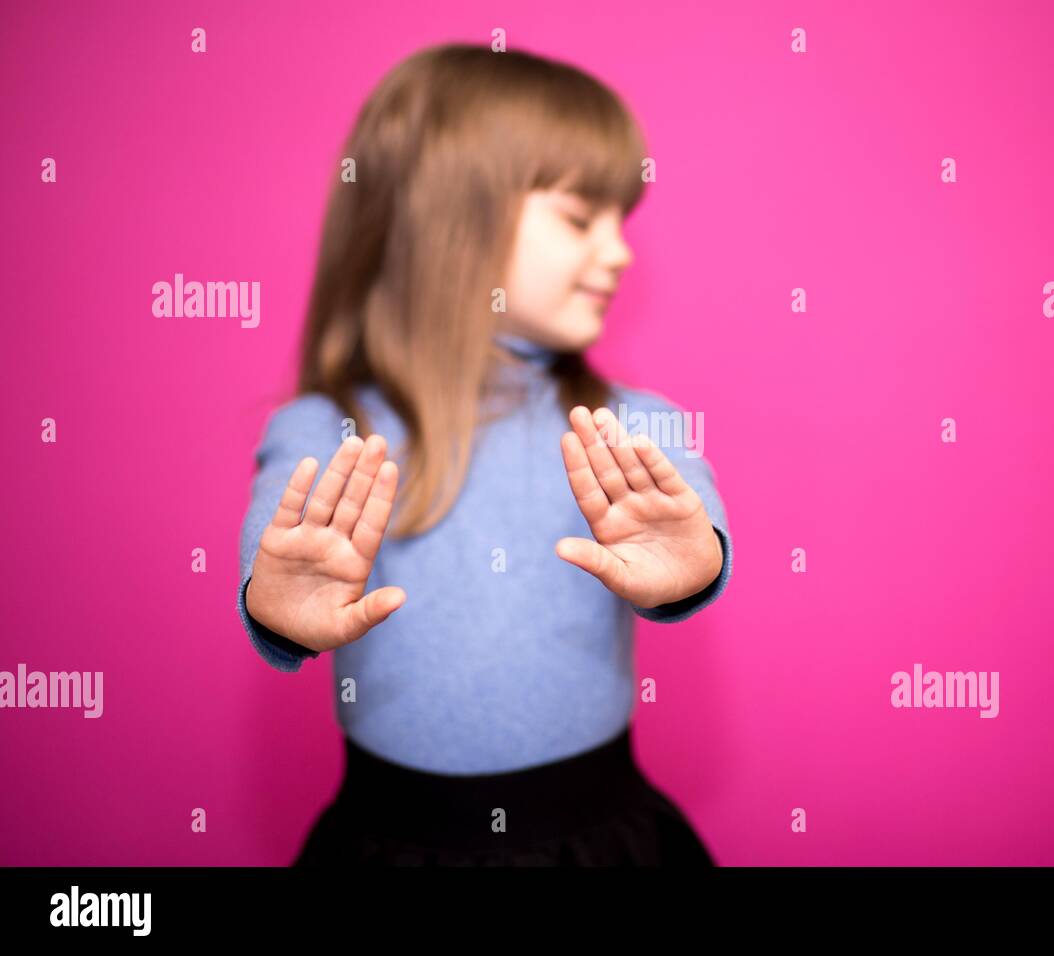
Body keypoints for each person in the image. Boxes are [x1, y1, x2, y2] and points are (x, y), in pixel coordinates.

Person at [235, 43, 733, 866]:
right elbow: (274, 564)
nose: (619, 253)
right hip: (390, 847)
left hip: (599, 843)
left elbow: (696, 523)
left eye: (622, 223)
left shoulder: (633, 421)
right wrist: (276, 604)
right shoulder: (324, 426)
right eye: (580, 219)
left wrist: (695, 560)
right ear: (449, 218)